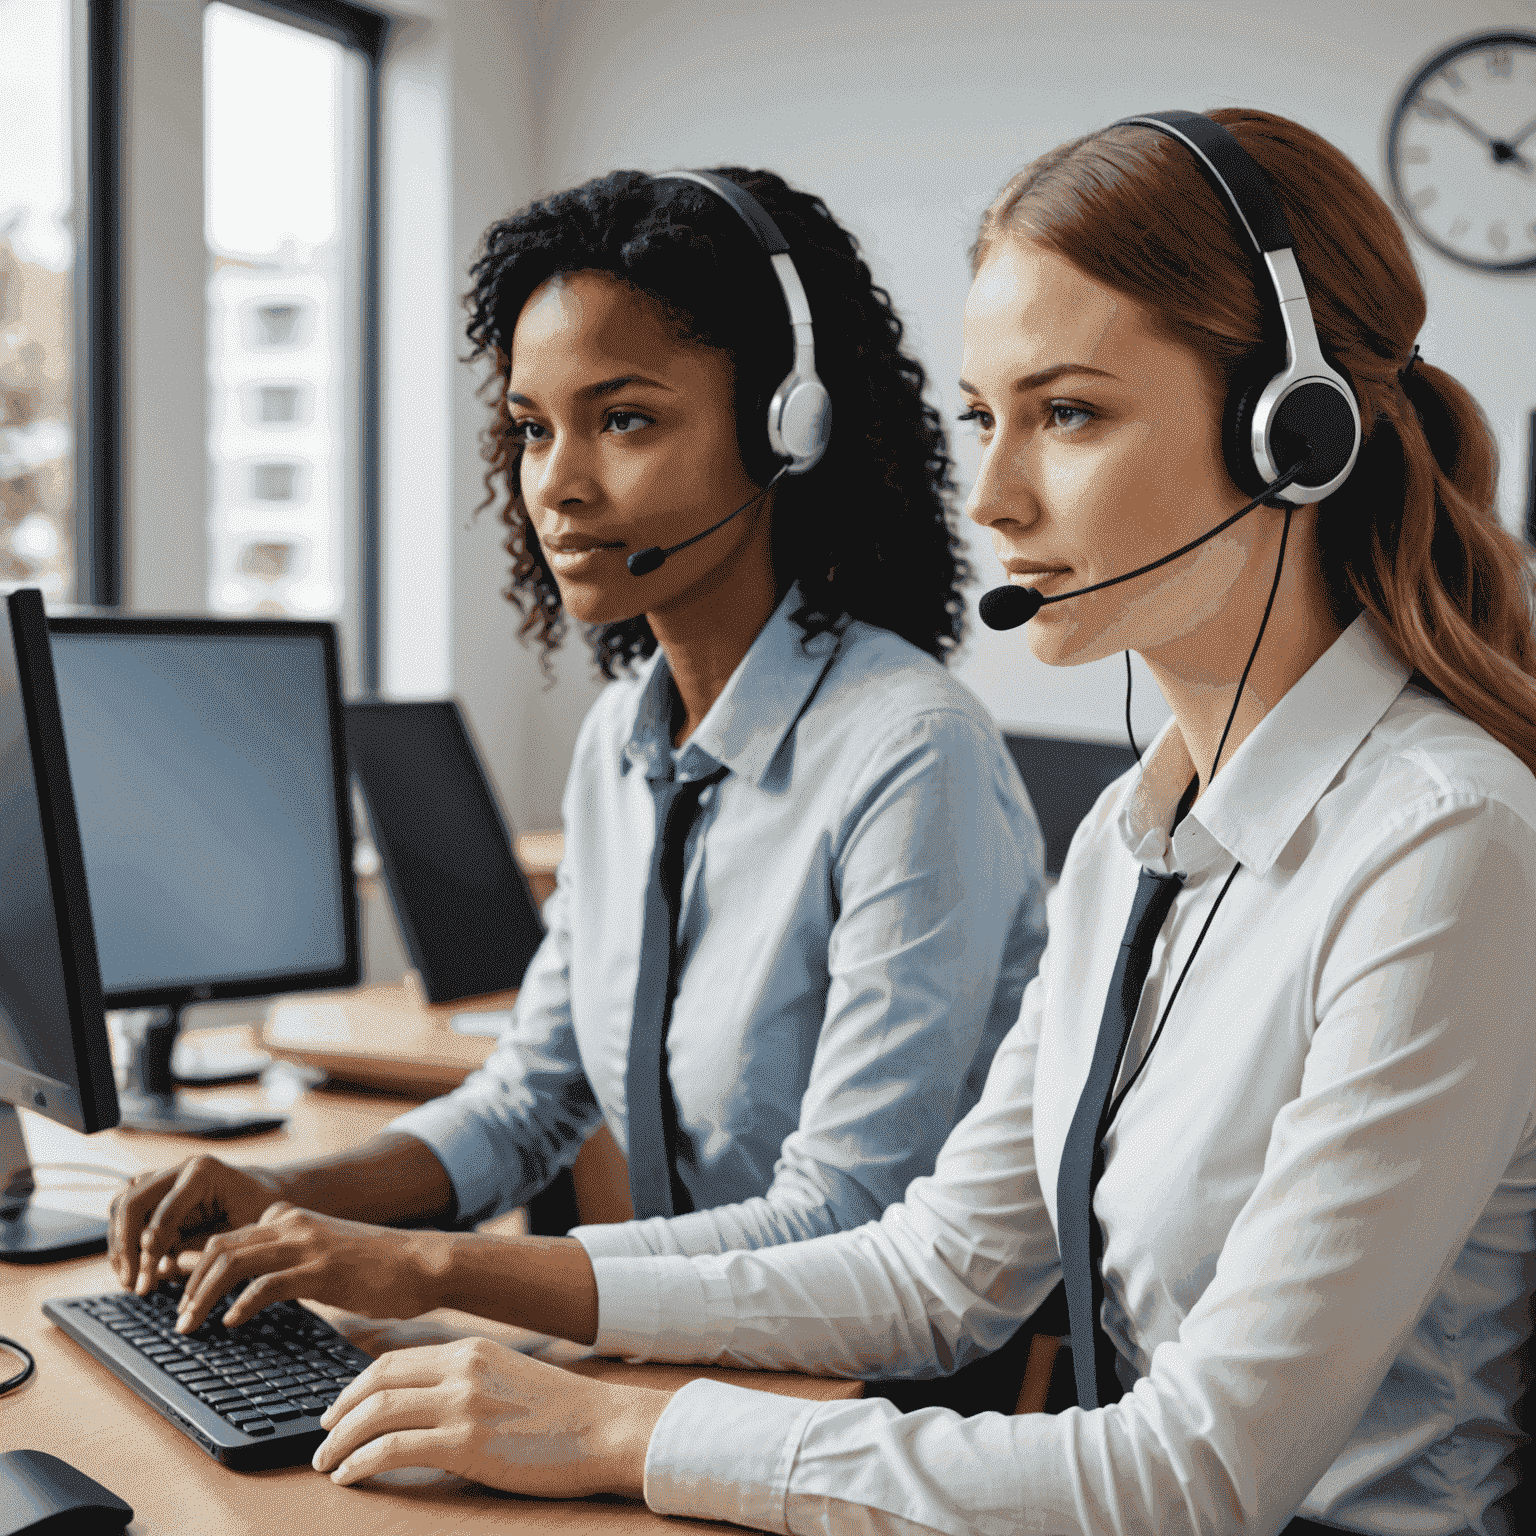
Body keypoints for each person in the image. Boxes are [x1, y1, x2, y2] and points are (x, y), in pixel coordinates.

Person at [275, 111, 1534, 1534]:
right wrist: (437, 1275)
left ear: (1294, 432)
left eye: (1068, 414)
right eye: (985, 419)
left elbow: (1196, 1475)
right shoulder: (1141, 831)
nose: (996, 496)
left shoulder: (1447, 845)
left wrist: (631, 1433)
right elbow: (933, 1275)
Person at [110, 169, 1048, 1376]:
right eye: (531, 429)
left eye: (625, 420)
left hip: (872, 1416)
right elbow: (526, 1104)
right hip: (679, 1375)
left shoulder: (914, 755)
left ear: (787, 428)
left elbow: (844, 1224)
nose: (555, 483)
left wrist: (433, 1272)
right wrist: (281, 1196)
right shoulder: (623, 746)